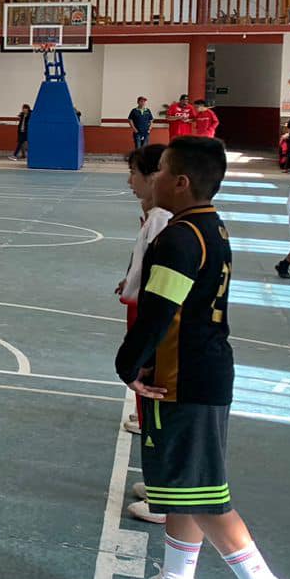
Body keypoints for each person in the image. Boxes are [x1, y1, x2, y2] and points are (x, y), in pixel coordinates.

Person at [111, 136, 290, 579]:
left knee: (205, 495)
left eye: (160, 173)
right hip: (199, 371)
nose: (150, 179)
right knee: (182, 487)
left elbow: (158, 313)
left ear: (179, 181)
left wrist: (125, 364)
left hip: (185, 378)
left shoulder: (180, 239)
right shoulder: (209, 226)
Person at [114, 143, 172, 521]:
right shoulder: (153, 216)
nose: (129, 180)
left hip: (153, 315)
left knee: (155, 399)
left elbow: (159, 278)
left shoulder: (164, 221)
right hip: (142, 308)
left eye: (135, 172)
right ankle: (159, 483)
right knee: (146, 403)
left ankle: (165, 495)